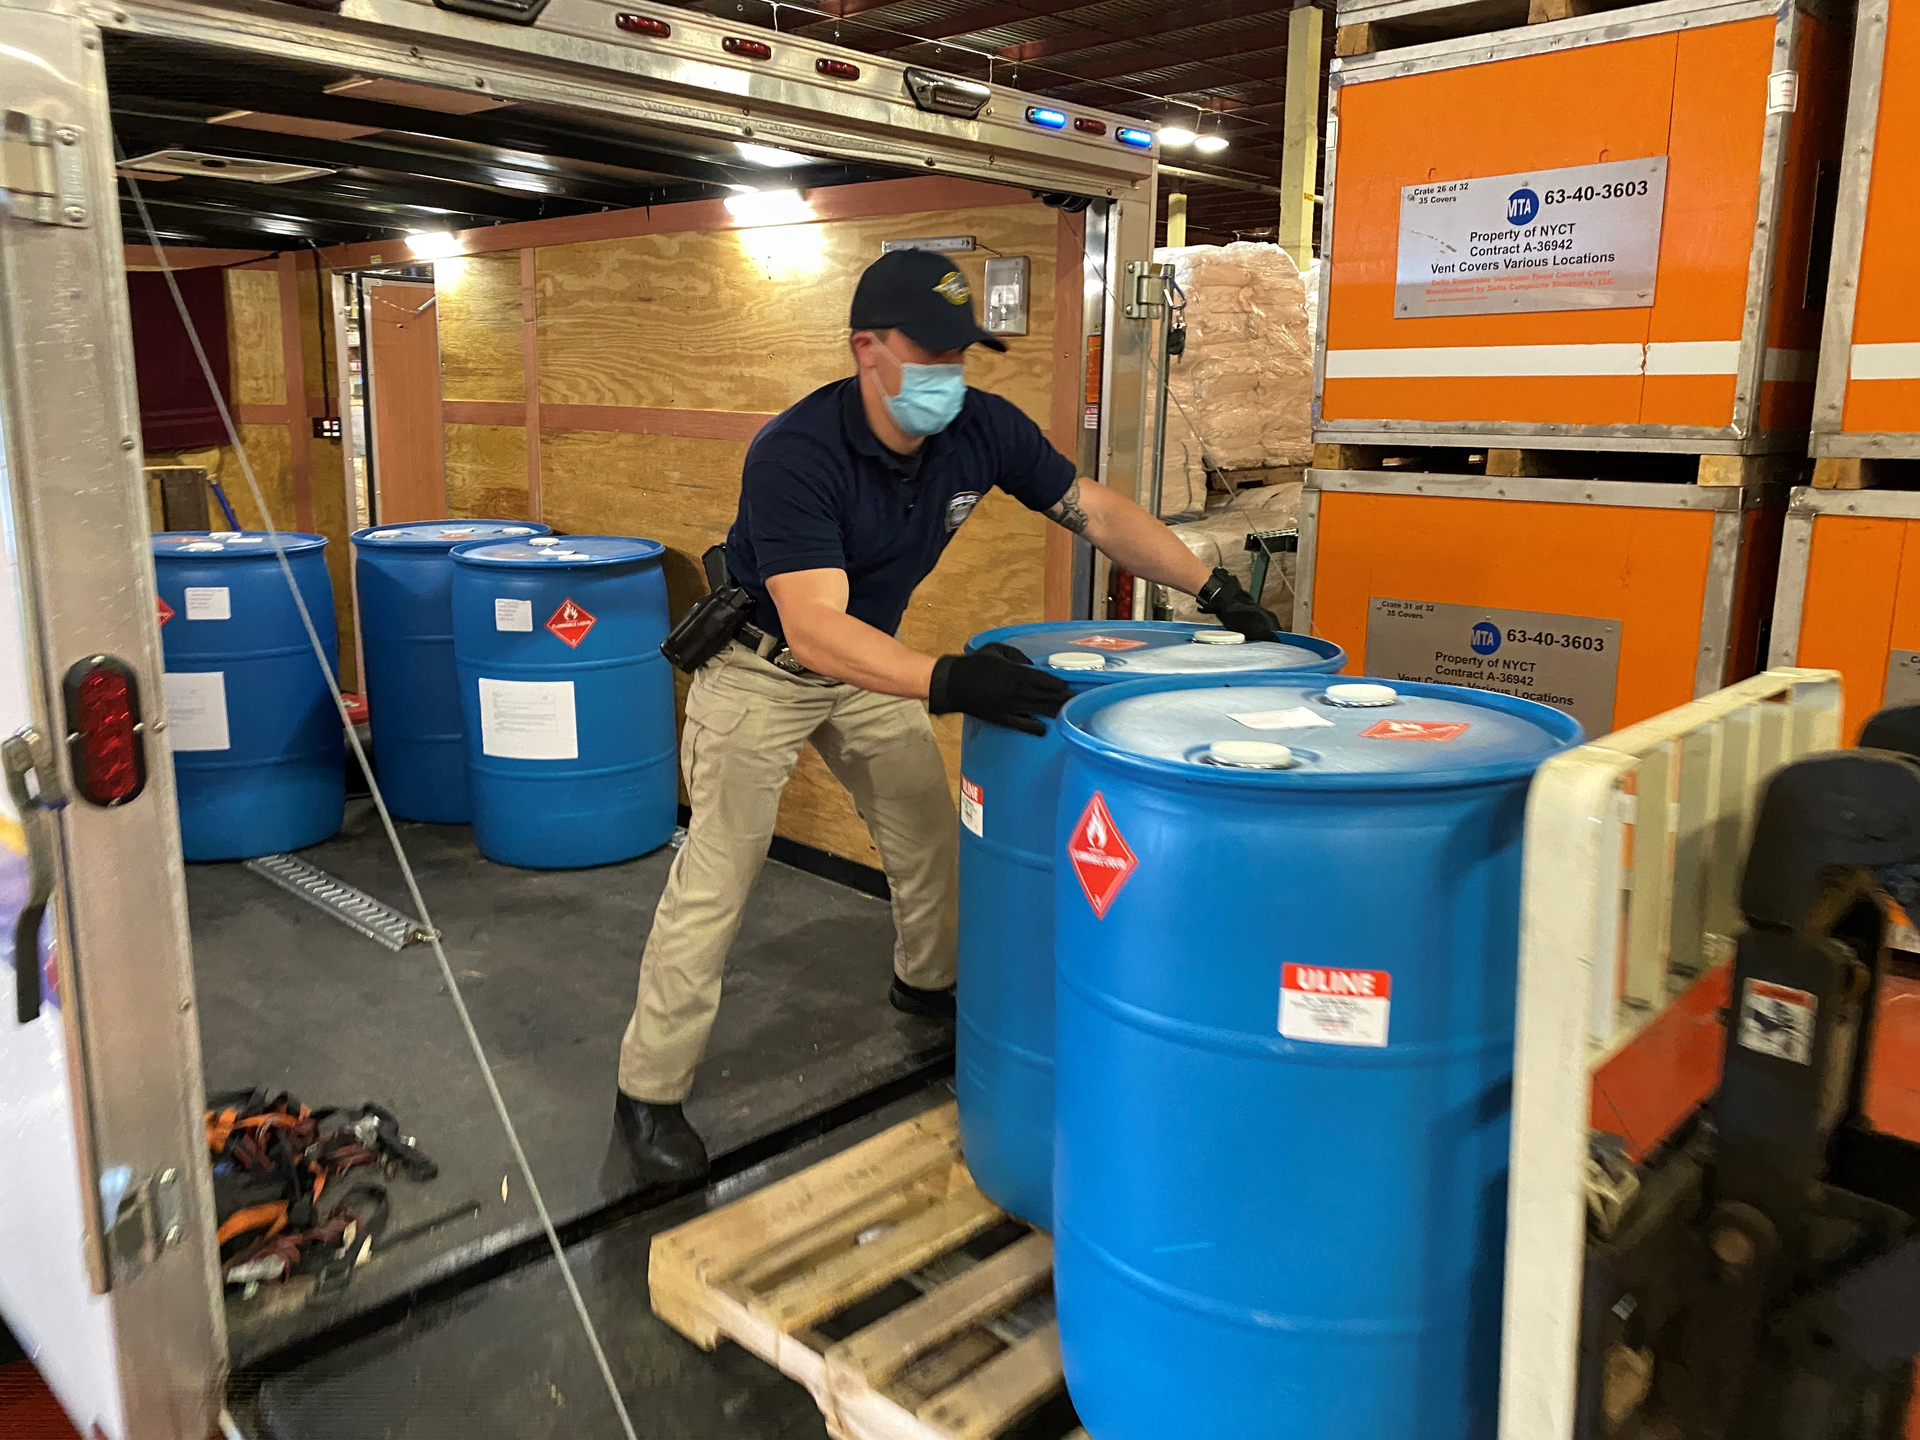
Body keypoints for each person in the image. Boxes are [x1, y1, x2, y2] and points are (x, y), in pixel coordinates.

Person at [614, 247, 1283, 1181]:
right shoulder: (795, 453)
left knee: (930, 838)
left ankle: (927, 994)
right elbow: (812, 629)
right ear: (866, 350)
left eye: (959, 354)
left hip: (870, 666)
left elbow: (1091, 510)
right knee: (720, 872)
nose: (947, 377)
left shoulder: (980, 430)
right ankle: (648, 1094)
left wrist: (1213, 587)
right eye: (926, 355)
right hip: (765, 669)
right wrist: (954, 682)